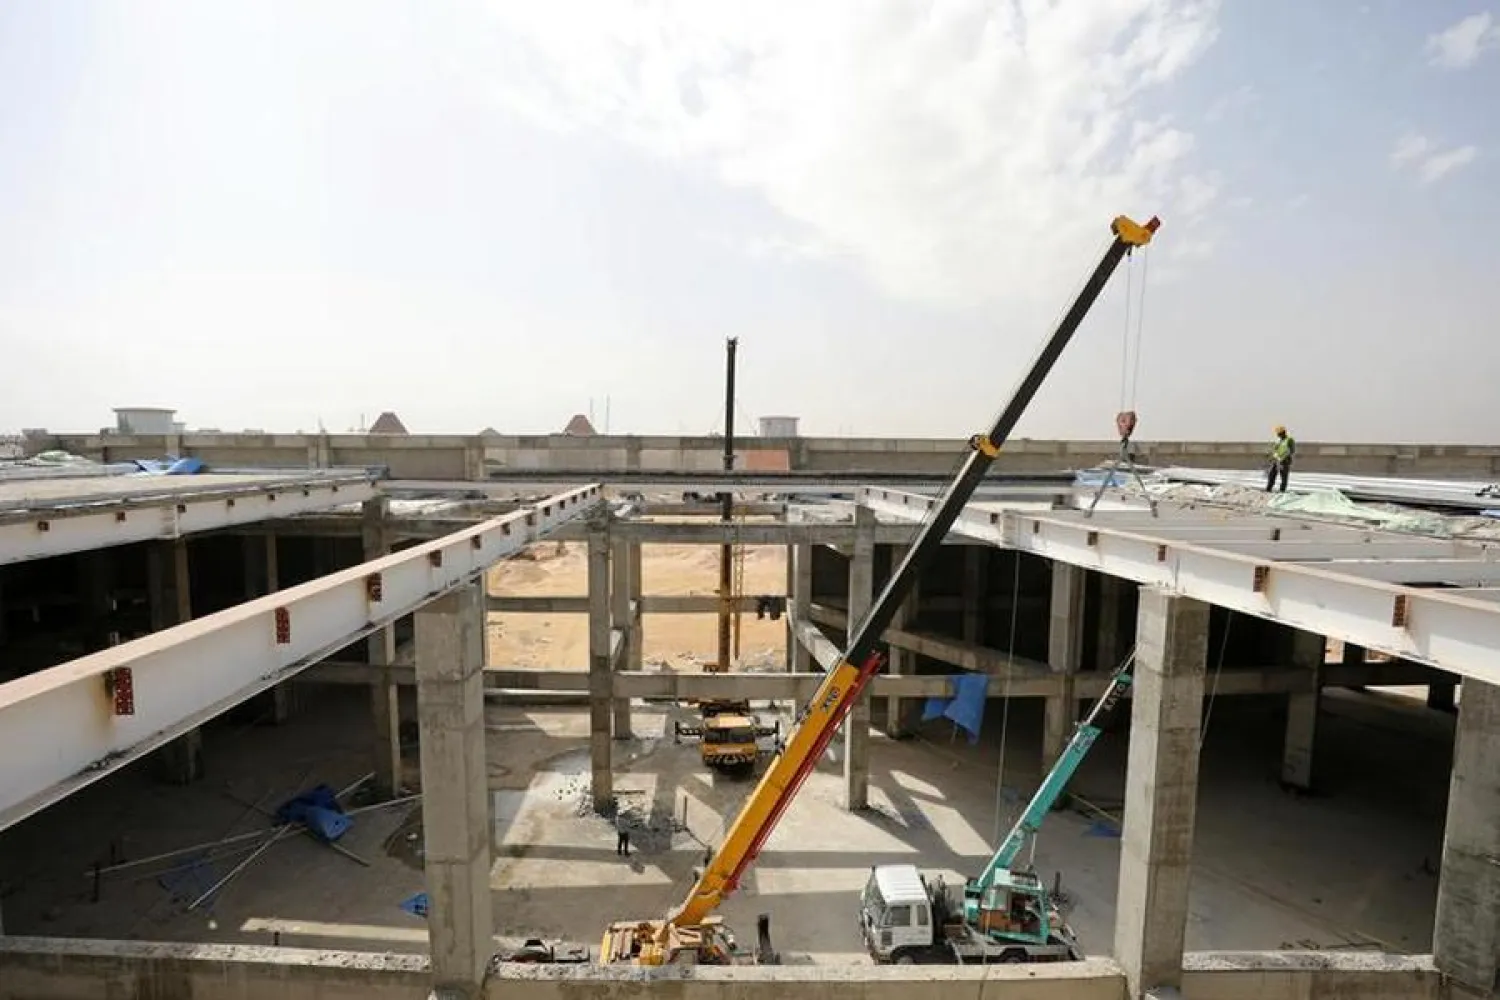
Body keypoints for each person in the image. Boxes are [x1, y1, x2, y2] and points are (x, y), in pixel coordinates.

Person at [1266, 425, 1295, 493]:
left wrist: (1283, 457)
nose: (1278, 435)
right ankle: (1268, 489)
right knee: (1272, 474)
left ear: (1283, 433)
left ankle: (1282, 491)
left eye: (1279, 433)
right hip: (1277, 460)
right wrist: (1272, 457)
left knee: (1283, 477)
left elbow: (1292, 450)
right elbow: (1275, 449)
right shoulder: (1279, 441)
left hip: (1285, 461)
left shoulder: (1289, 439)